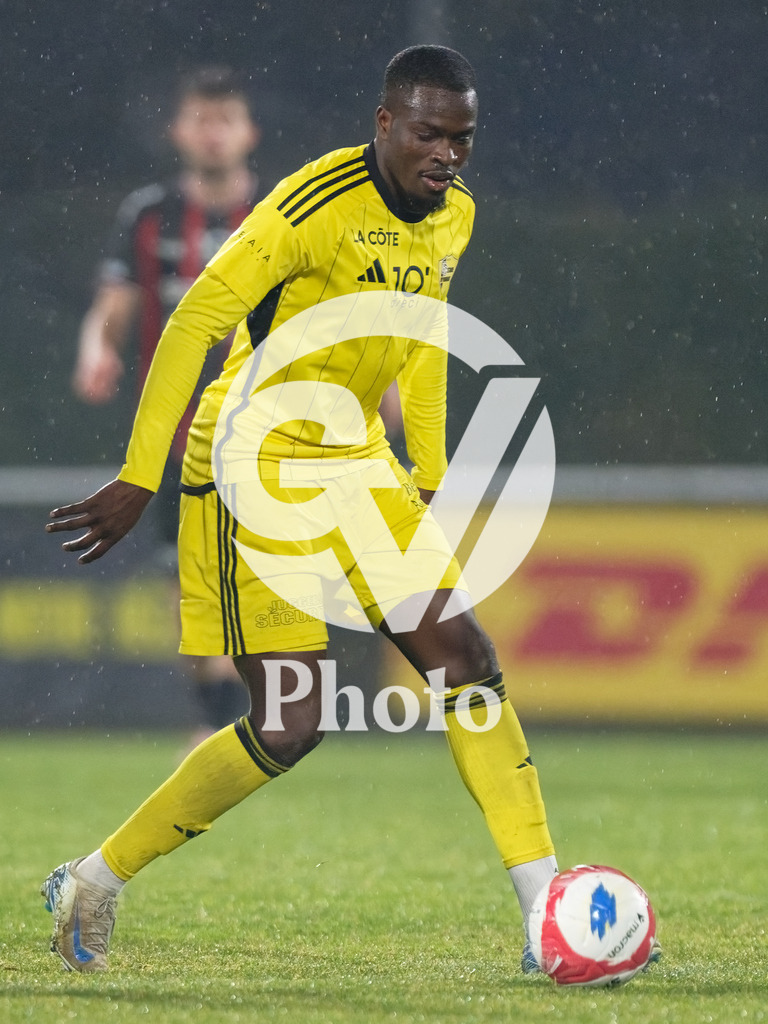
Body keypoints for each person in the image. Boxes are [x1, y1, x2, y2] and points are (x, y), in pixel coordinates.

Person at [41, 45, 559, 976]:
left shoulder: (456, 217)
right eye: (432, 134)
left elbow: (423, 334)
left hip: (354, 457)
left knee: (466, 659)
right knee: (291, 721)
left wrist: (431, 475)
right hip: (247, 463)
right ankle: (93, 877)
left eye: (464, 139)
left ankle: (545, 919)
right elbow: (199, 317)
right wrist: (139, 474)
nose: (449, 155)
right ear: (385, 125)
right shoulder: (308, 207)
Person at [73, 66, 260, 736]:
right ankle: (220, 727)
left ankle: (247, 725)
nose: (213, 134)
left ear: (248, 133)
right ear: (179, 130)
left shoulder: (278, 213)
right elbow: (111, 307)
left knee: (253, 585)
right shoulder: (149, 216)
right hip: (177, 440)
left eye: (226, 120)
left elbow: (329, 306)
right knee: (187, 588)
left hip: (266, 436)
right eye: (201, 120)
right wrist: (97, 347)